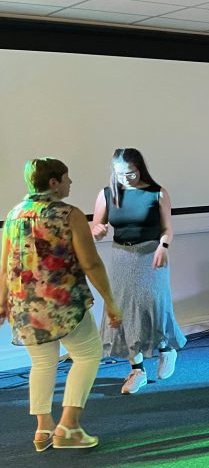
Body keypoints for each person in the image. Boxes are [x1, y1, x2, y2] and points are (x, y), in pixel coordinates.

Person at [1, 158, 122, 450]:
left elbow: (4, 266)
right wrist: (110, 300)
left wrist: (2, 302)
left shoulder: (14, 214)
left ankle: (43, 429)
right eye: (67, 178)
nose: (70, 183)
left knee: (42, 363)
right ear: (54, 183)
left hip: (24, 306)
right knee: (88, 355)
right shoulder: (69, 214)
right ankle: (69, 426)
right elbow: (90, 263)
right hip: (63, 304)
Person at [92, 148, 185, 396]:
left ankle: (166, 348)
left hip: (151, 253)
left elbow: (167, 229)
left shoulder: (157, 193)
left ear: (140, 169)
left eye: (130, 173)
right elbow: (97, 226)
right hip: (122, 255)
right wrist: (97, 230)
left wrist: (164, 246)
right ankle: (137, 370)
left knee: (153, 304)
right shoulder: (107, 194)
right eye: (120, 173)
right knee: (123, 310)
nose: (125, 178)